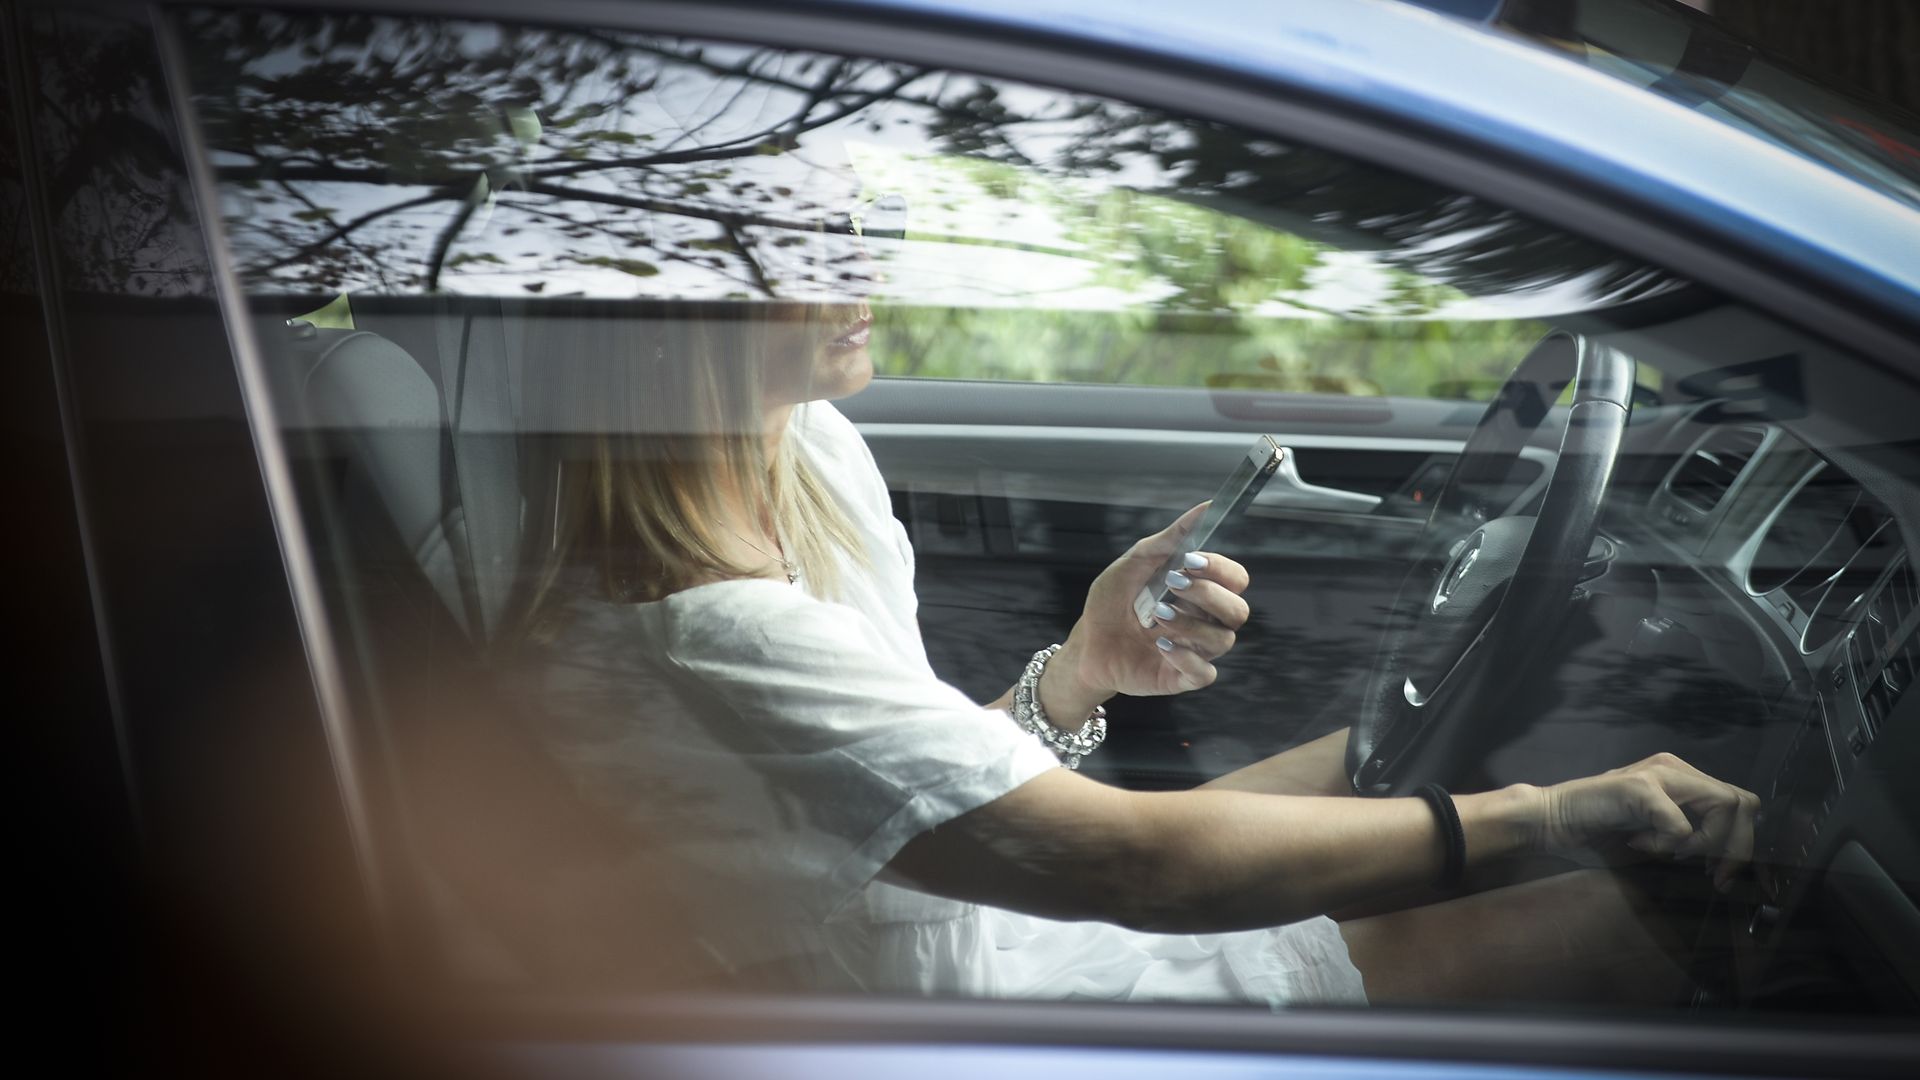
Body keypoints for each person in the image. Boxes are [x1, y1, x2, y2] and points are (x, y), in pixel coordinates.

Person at [503, 278, 1760, 1008]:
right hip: (968, 1012)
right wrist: (1559, 816)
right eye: (811, 240)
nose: (867, 258)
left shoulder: (810, 455)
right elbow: (1127, 866)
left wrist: (1081, 669)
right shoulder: (708, 632)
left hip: (993, 924)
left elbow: (892, 810)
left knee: (1440, 773)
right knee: (1618, 905)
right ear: (671, 313)